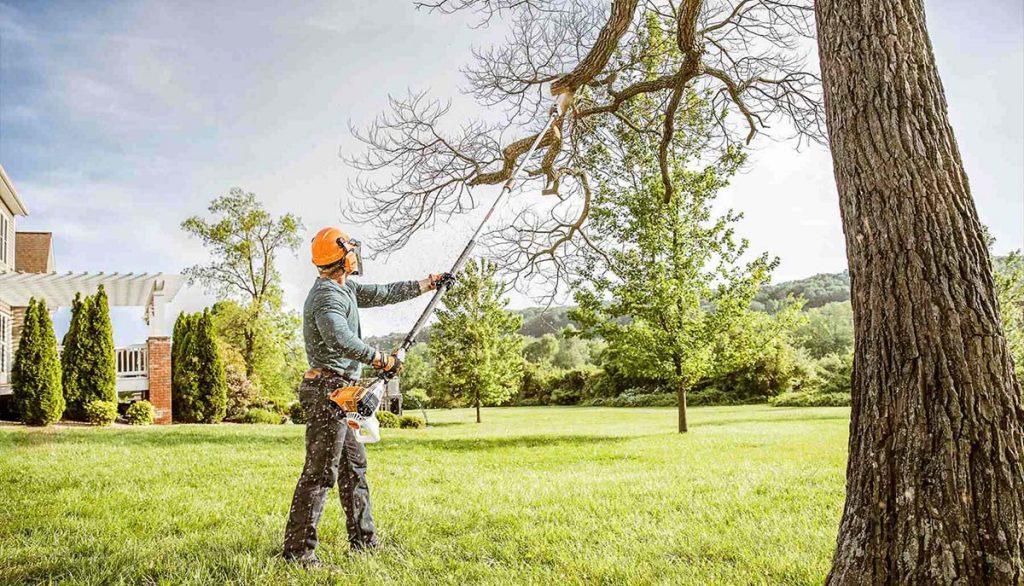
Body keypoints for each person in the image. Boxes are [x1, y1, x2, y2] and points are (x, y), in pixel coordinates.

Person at [283, 226, 449, 565]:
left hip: (344, 391)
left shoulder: (347, 288)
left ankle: (364, 541)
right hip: (329, 392)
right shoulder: (326, 296)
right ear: (343, 256)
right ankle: (298, 554)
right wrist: (380, 358)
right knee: (319, 473)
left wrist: (428, 283)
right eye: (352, 250)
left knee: (354, 469)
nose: (357, 255)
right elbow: (339, 339)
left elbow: (386, 291)